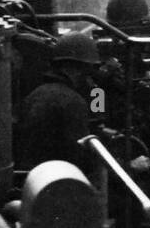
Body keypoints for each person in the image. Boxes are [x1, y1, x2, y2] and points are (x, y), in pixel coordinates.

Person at [14, 31, 102, 170]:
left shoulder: (36, 94)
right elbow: (81, 158)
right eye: (88, 70)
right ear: (79, 69)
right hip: (58, 179)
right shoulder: (73, 101)